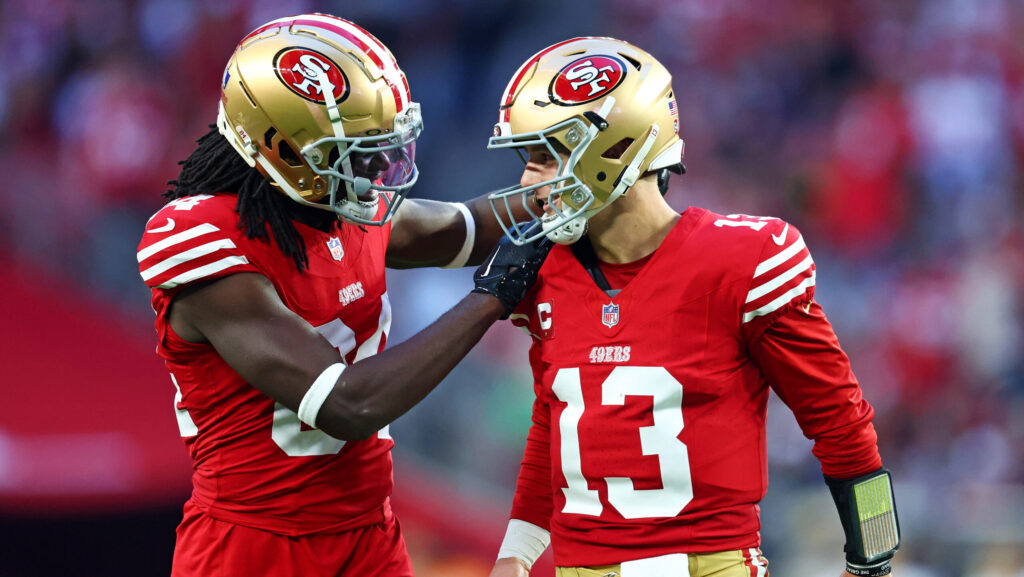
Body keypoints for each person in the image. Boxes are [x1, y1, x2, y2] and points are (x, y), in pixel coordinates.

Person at [136, 14, 550, 577]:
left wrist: (570, 193)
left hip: (366, 534)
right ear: (283, 150)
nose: (379, 165)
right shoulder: (205, 238)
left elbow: (466, 228)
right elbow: (346, 404)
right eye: (356, 150)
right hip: (256, 546)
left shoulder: (339, 207)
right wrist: (490, 299)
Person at [485, 37, 901, 577]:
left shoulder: (741, 260)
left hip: (709, 565)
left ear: (614, 151)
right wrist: (516, 553)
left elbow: (841, 422)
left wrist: (874, 556)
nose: (528, 181)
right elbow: (555, 424)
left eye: (545, 157)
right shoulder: (543, 271)